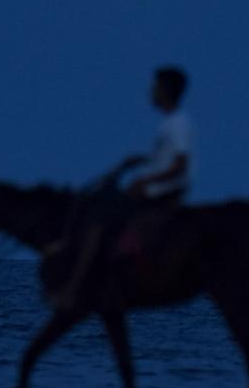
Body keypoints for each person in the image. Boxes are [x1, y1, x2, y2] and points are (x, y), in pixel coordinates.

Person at [54, 66, 194, 312]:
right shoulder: (169, 124)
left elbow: (180, 165)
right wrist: (140, 160)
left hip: (158, 194)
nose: (151, 91)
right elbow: (168, 159)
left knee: (98, 221)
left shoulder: (177, 124)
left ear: (165, 91)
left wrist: (147, 180)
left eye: (155, 87)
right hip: (152, 190)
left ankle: (77, 287)